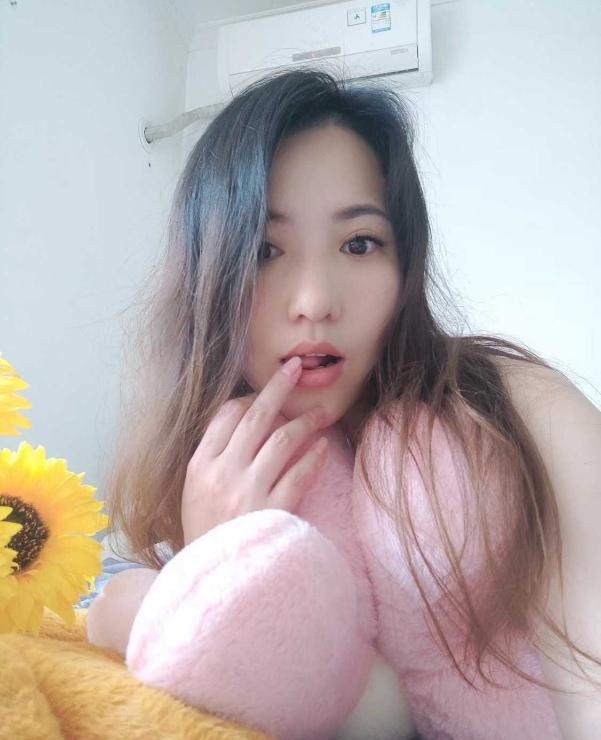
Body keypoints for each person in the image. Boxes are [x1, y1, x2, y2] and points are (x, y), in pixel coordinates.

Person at [86, 67, 601, 739]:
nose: (314, 301)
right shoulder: (202, 462)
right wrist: (223, 562)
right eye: (264, 250)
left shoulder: (519, 406)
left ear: (405, 261)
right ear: (209, 272)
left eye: (359, 244)